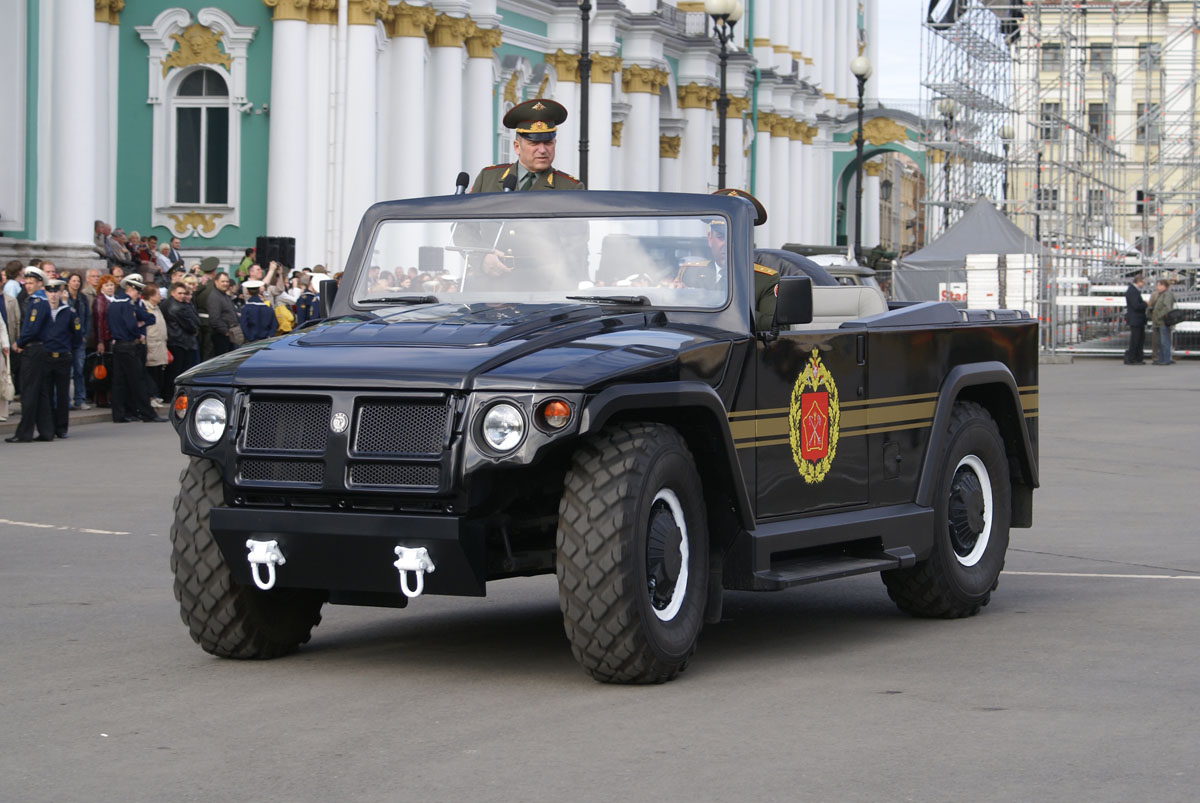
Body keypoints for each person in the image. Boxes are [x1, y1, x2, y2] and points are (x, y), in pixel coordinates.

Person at [469, 99, 584, 193]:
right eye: (534, 143)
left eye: (548, 143)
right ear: (517, 146)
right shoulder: (488, 179)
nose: (542, 150)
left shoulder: (570, 188)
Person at [708, 189, 778, 331]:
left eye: (736, 237)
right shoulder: (691, 273)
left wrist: (731, 308)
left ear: (747, 240)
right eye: (721, 237)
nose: (728, 244)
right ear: (710, 238)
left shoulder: (765, 280)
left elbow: (775, 326)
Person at [6, 269, 55, 442]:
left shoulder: (37, 302)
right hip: (38, 349)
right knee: (40, 392)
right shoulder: (38, 301)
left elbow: (31, 329)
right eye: (26, 283)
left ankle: (24, 433)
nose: (28, 286)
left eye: (31, 283)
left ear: (40, 283)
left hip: (33, 350)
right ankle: (46, 431)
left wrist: (19, 343)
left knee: (29, 392)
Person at [107, 276, 164, 423]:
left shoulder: (114, 303)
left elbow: (149, 317)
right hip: (129, 346)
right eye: (137, 292)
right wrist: (138, 334)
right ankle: (147, 413)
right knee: (138, 381)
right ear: (130, 289)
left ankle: (119, 414)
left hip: (118, 345)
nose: (138, 296)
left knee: (119, 382)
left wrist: (140, 322)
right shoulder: (127, 304)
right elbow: (131, 324)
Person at [38, 278, 83, 438]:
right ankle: (48, 426)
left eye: (56, 291)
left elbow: (77, 335)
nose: (53, 295)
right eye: (50, 291)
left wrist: (68, 349)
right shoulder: (41, 311)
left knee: (63, 394)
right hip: (46, 356)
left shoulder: (69, 312)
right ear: (45, 293)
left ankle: (61, 427)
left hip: (63, 357)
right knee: (47, 393)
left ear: (61, 292)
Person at [162, 281, 199, 391]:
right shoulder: (177, 307)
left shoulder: (170, 304)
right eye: (180, 293)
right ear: (172, 293)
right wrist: (194, 328)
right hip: (180, 341)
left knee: (175, 371)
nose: (182, 296)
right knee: (178, 371)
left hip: (177, 340)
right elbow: (192, 325)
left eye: (184, 293)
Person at [64, 271, 92, 410]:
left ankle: (80, 399)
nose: (76, 283)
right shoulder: (64, 297)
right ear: (68, 282)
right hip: (67, 338)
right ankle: (66, 400)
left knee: (79, 370)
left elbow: (87, 317)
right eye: (73, 281)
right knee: (67, 371)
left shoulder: (82, 298)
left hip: (79, 338)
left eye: (78, 281)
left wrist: (85, 334)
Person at [141, 284, 170, 404]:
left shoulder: (157, 307)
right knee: (150, 371)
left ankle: (155, 394)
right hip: (151, 344)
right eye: (157, 294)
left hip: (160, 344)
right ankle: (150, 395)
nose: (160, 296)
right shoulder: (144, 307)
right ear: (151, 296)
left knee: (158, 372)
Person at [206, 272, 240, 356]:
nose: (225, 284)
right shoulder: (214, 297)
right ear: (216, 282)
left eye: (227, 281)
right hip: (221, 336)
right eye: (222, 281)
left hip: (230, 335)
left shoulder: (224, 295)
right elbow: (214, 319)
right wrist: (226, 332)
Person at [1149, 278, 1176, 366]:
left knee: (1164, 341)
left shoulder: (1167, 295)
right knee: (1160, 342)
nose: (1157, 287)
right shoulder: (1161, 294)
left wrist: (1159, 316)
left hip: (1163, 321)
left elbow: (1167, 308)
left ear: (1164, 286)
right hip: (1158, 322)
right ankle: (1161, 358)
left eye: (1158, 285)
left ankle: (1166, 359)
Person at [1123, 272, 1148, 365]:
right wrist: (1145, 304)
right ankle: (1132, 358)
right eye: (1143, 282)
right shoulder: (1132, 291)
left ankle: (1137, 357)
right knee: (1136, 340)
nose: (1144, 284)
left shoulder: (1133, 290)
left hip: (1137, 319)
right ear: (1139, 281)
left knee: (1139, 339)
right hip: (1135, 319)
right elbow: (1136, 306)